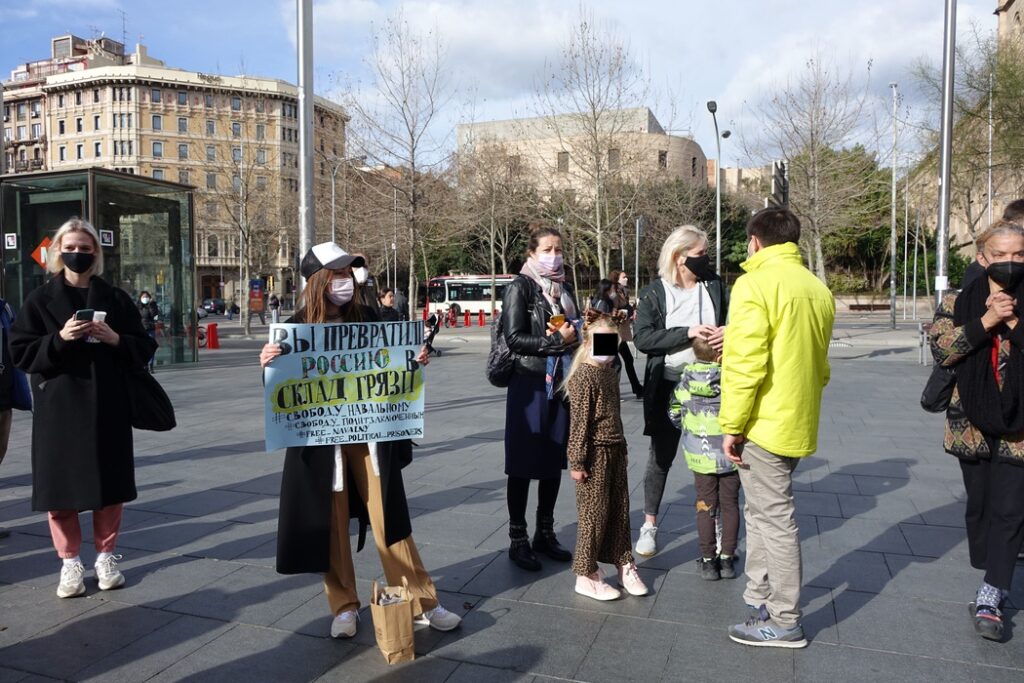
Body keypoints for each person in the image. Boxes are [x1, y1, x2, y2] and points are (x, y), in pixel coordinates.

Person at [260, 241, 460, 639]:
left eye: (348, 274)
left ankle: (422, 600)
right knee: (331, 523)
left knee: (390, 520)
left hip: (370, 436)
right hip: (320, 443)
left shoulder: (369, 317)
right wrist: (269, 364)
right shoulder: (294, 328)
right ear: (318, 281)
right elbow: (282, 392)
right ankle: (344, 606)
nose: (346, 281)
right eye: (337, 274)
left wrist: (414, 361)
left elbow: (394, 366)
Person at [9, 217, 157, 599]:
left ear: (96, 254)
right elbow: (21, 353)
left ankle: (107, 557)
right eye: (71, 248)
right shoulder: (40, 299)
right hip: (59, 409)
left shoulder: (116, 298)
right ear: (58, 252)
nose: (78, 254)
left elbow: (144, 347)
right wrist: (59, 338)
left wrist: (115, 339)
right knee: (60, 492)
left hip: (108, 406)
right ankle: (70, 561)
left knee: (110, 489)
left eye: (85, 248)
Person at [719, 207, 834, 648]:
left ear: (754, 241)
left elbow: (746, 364)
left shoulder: (754, 284)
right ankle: (762, 597)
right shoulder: (816, 288)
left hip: (762, 423)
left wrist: (732, 424)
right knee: (762, 513)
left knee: (774, 519)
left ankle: (784, 619)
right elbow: (821, 365)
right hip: (796, 420)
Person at [930, 220, 1024, 642]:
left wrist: (1014, 322)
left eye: (1019, 254)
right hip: (971, 420)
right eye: (1000, 254)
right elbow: (942, 349)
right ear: (983, 258)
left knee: (1011, 509)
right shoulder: (958, 299)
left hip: (1020, 424)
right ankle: (991, 566)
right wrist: (986, 320)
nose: (1010, 262)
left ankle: (992, 593)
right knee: (981, 506)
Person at [633, 225, 728, 558]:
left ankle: (716, 524)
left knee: (714, 460)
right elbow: (643, 338)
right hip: (670, 386)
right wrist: (687, 332)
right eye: (700, 254)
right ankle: (649, 525)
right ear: (679, 256)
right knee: (660, 457)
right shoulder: (654, 292)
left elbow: (734, 320)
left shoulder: (714, 285)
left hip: (713, 388)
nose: (706, 259)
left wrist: (727, 332)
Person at [502, 225, 579, 571]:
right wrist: (555, 342)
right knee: (522, 463)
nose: (554, 256)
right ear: (532, 253)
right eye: (547, 249)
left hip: (560, 382)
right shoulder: (520, 287)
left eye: (558, 249)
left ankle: (544, 532)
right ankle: (518, 538)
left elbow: (574, 330)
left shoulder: (564, 289)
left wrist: (581, 331)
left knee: (552, 459)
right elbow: (514, 338)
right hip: (529, 383)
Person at [564, 310, 648, 600]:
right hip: (594, 454)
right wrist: (577, 461)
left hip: (614, 449)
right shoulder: (584, 376)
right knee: (594, 515)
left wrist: (622, 447)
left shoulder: (609, 373)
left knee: (619, 510)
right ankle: (585, 574)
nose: (608, 350)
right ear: (588, 343)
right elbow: (579, 424)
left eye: (613, 344)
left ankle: (624, 562)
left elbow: (615, 415)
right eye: (602, 343)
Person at [668, 336, 739, 581]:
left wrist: (690, 431)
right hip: (730, 454)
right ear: (721, 355)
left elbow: (674, 411)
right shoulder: (730, 380)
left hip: (699, 454)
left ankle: (708, 561)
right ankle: (727, 559)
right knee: (730, 505)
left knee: (705, 505)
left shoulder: (684, 382)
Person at [608, 269, 644, 399]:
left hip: (618, 332)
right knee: (613, 364)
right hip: (611, 333)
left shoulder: (622, 291)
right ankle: (611, 393)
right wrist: (624, 312)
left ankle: (636, 388)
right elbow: (612, 311)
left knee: (626, 360)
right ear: (616, 279)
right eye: (624, 277)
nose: (626, 279)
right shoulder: (613, 293)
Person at [137, 291, 159, 371]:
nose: (145, 298)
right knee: (141, 347)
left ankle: (150, 365)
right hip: (141, 329)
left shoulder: (152, 305)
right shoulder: (138, 306)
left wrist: (151, 305)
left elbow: (154, 315)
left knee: (150, 347)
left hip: (150, 329)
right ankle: (144, 364)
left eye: (146, 296)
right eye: (143, 297)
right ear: (140, 298)